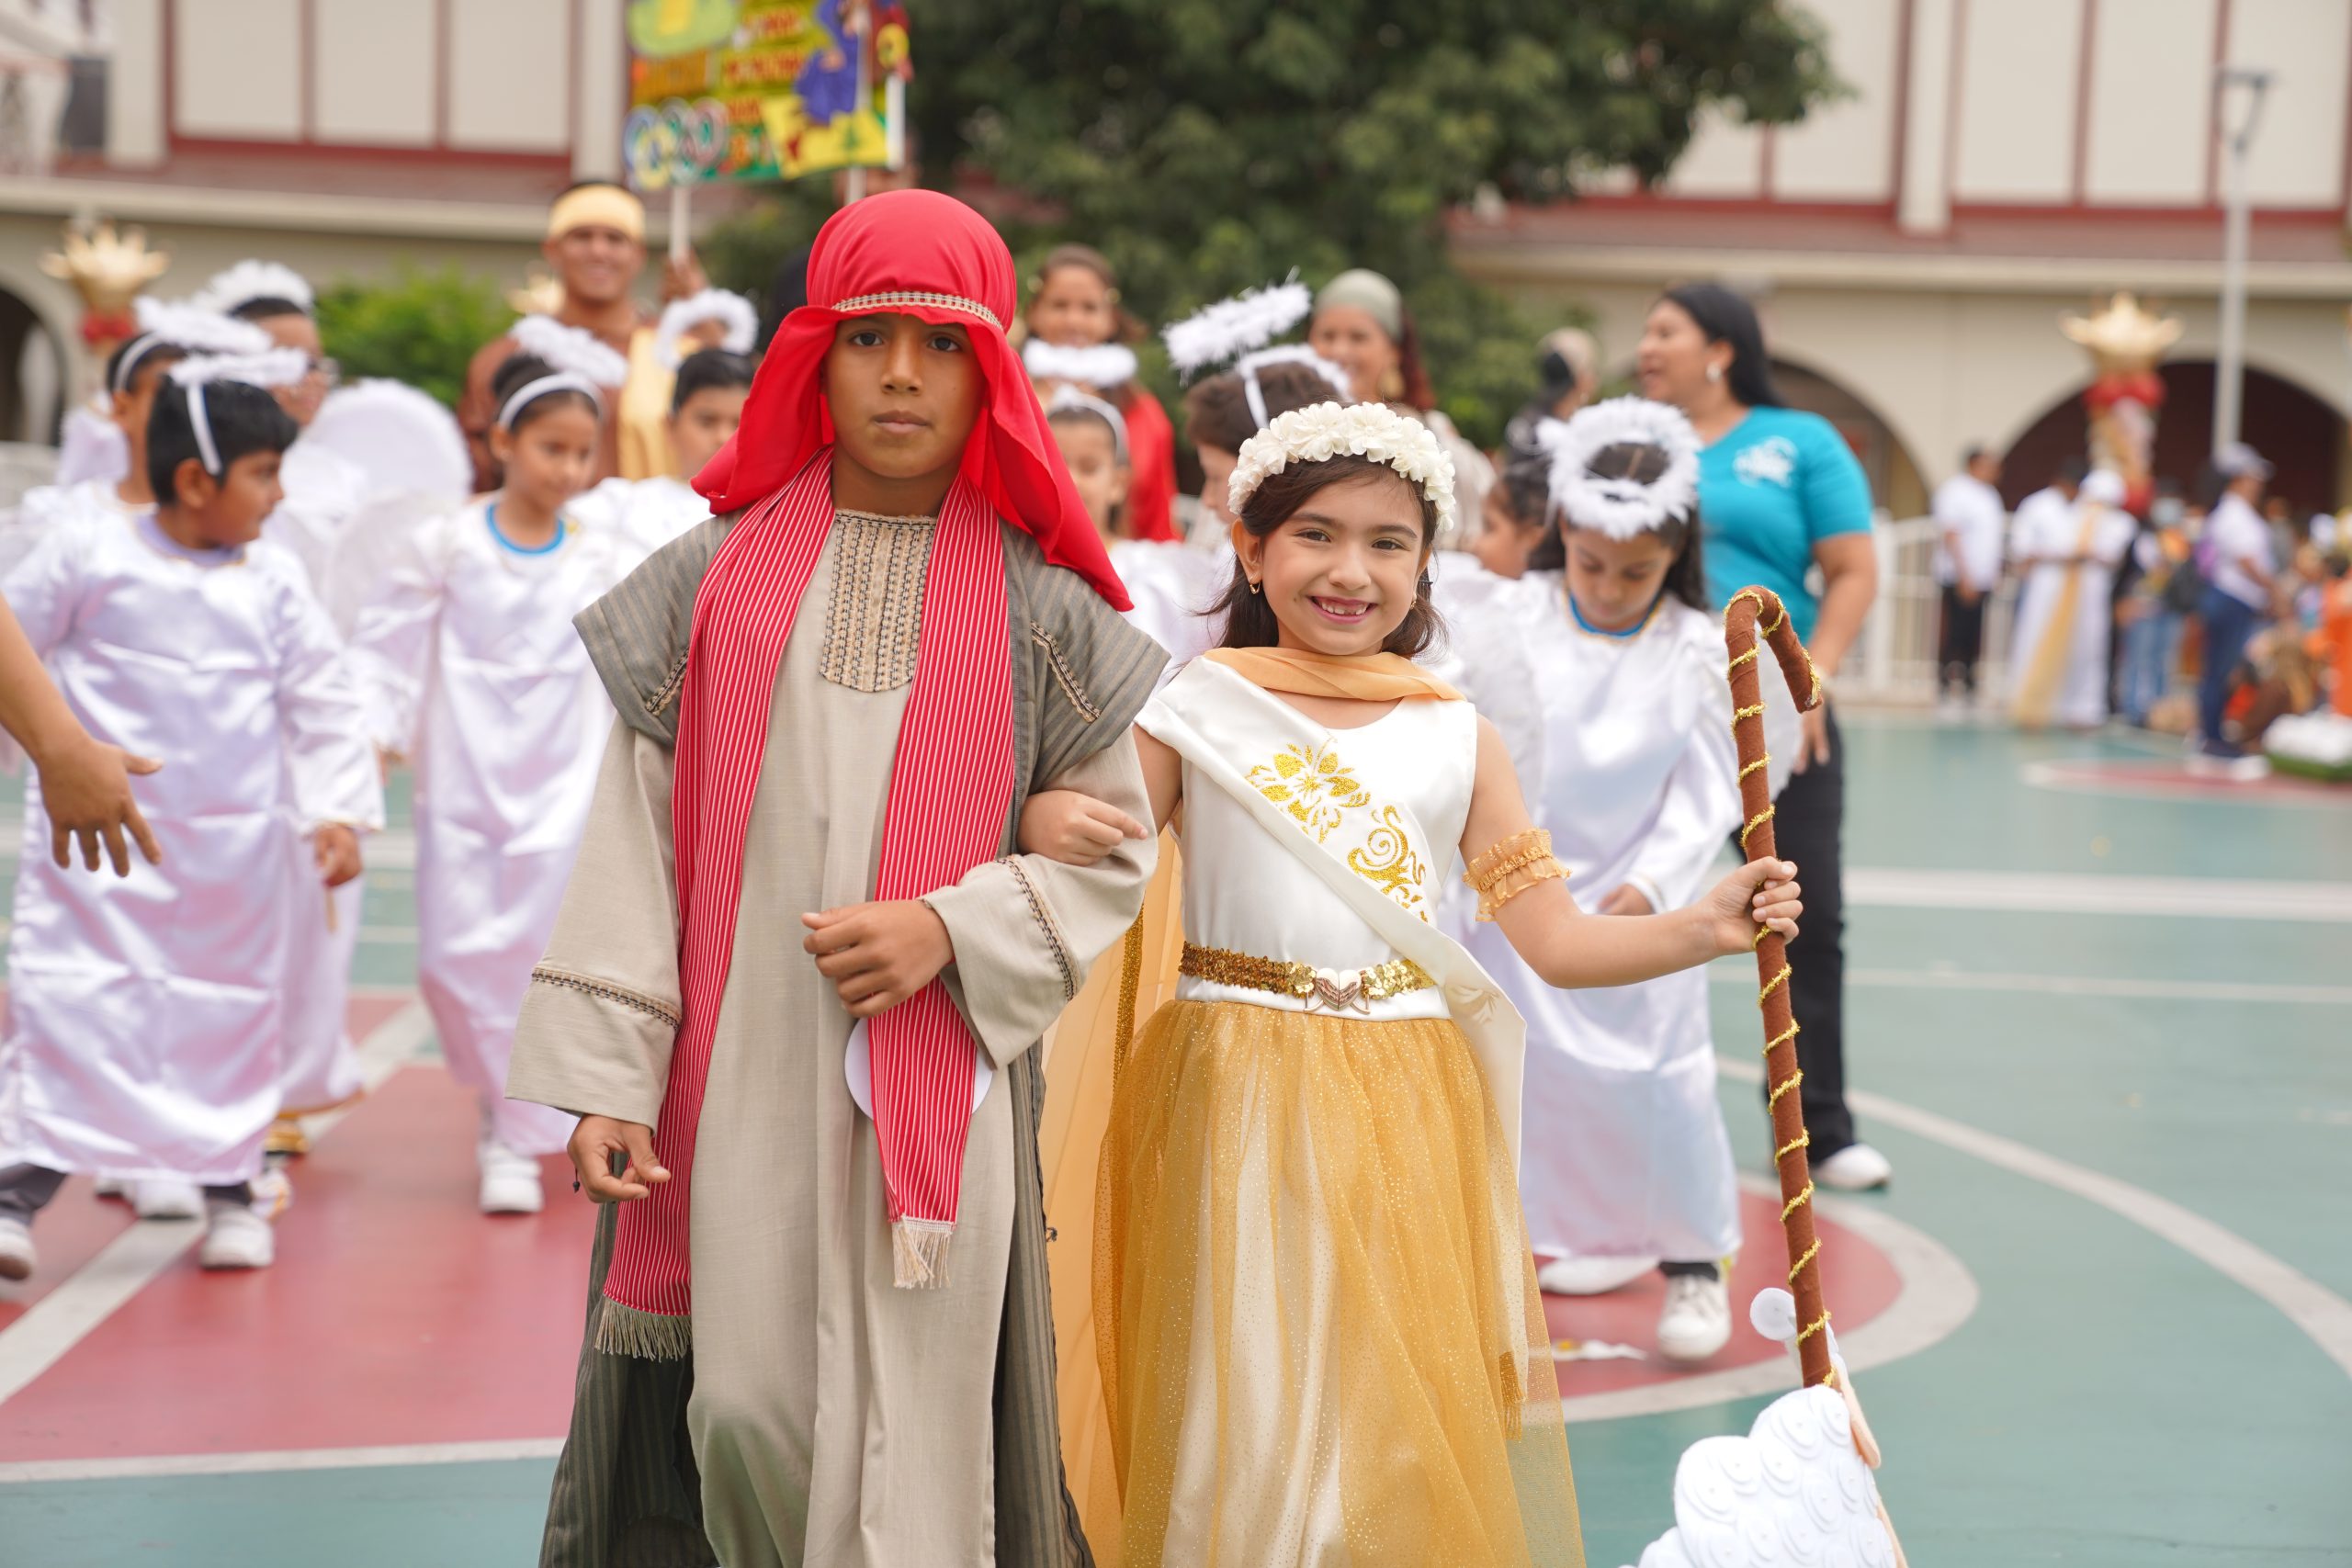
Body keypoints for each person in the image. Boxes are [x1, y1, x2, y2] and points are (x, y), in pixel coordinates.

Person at [1017, 400, 1803, 1562]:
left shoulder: (1459, 737)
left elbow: (1556, 943)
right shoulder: (1193, 712)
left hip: (1407, 1109)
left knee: (1380, 1426)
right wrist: (1044, 815)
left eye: (1388, 543)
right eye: (1316, 535)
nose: (1351, 571)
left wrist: (1702, 926)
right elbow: (1097, 857)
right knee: (1241, 1407)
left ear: (1425, 563)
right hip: (1230, 1095)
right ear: (1251, 550)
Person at [503, 189, 1164, 1568]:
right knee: (744, 1412)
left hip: (942, 1076)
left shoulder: (1043, 599)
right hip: (733, 1064)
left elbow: (1117, 850)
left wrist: (952, 924)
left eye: (942, 343)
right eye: (870, 339)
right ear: (815, 357)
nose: (903, 375)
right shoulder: (710, 575)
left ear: (992, 372)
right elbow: (635, 831)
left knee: (918, 1428)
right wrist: (613, 1076)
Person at [0, 368, 379, 1280]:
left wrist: (335, 807)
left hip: (231, 866)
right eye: (264, 473)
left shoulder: (275, 581)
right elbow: (18, 651)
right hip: (98, 858)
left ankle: (232, 1188)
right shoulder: (88, 551)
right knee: (75, 1005)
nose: (279, 495)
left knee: (226, 1018)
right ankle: (17, 1192)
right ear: (196, 479)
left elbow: (325, 702)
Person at [1451, 399, 1752, 1362]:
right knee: (1517, 1079)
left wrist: (1658, 886)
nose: (1611, 588)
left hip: (1636, 897)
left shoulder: (1698, 651)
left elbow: (1708, 786)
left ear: (1676, 556)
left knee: (1661, 1081)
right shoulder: (1506, 619)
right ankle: (1550, 1237)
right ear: (1561, 537)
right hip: (1513, 887)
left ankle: (1692, 1260)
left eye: (1637, 572)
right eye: (1590, 565)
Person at [346, 342, 640, 1217]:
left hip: (564, 790)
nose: (567, 469)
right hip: (463, 788)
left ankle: (516, 1131)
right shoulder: (447, 542)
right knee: (453, 960)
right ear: (504, 442)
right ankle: (498, 1100)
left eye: (582, 452)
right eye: (551, 447)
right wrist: (373, 737)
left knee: (547, 958)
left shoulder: (603, 552)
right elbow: (387, 650)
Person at [1636, 281, 1888, 1191]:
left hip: (1776, 706)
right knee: (1634, 901)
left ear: (1721, 349)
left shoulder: (1801, 442)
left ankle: (1823, 1128)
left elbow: (1852, 568)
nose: (1645, 347)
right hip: (1650, 707)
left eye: (1665, 331)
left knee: (1802, 910)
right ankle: (1619, 1124)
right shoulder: (1634, 444)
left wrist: (1811, 680)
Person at [458, 182, 701, 490]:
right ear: (552, 250)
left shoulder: (679, 351)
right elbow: (476, 476)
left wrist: (706, 322)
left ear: (638, 255)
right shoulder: (508, 356)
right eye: (582, 236)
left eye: (615, 239)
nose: (598, 251)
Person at [1046, 383, 1221, 668]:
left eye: (1089, 468)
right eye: (1056, 464)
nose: (1071, 481)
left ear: (1118, 483)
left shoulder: (1150, 572)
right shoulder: (1011, 563)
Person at [1309, 267, 1492, 538]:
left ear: (1394, 351)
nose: (1339, 351)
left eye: (1358, 337)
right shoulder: (1286, 426)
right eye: (1327, 336)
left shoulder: (1430, 432)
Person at [1026, 243, 1181, 541]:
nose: (1073, 321)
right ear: (1034, 312)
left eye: (1089, 308)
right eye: (1059, 305)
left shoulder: (1142, 413)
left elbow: (1157, 519)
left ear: (1111, 318)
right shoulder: (1005, 397)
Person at [567, 346, 751, 559]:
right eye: (707, 421)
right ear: (670, 427)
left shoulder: (767, 518)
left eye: (739, 424)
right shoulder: (621, 506)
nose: (723, 437)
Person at [2008, 468, 2134, 730]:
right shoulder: (2052, 510)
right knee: (2036, 641)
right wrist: (2064, 555)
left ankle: (2082, 710)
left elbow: (2111, 555)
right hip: (2050, 589)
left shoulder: (2118, 523)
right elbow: (2028, 550)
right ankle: (2033, 706)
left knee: (2088, 650)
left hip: (2089, 594)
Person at [2196, 443, 2281, 770]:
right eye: (2253, 478)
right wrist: (2274, 590)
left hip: (2237, 600)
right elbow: (2247, 561)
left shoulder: (2237, 512)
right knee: (2220, 669)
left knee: (2224, 668)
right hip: (2230, 598)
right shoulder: (2233, 513)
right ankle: (2211, 737)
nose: (2258, 485)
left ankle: (2215, 733)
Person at [1931, 445, 2006, 706]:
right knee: (1955, 630)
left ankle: (1970, 682)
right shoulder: (1955, 491)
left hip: (1983, 576)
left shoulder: (1990, 495)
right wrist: (1964, 575)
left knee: (1975, 631)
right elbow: (1951, 533)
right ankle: (1946, 680)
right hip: (1959, 575)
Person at [2116, 478, 2192, 728]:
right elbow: (2148, 569)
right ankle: (2134, 709)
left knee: (2164, 661)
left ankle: (2160, 713)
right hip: (2145, 607)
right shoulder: (2144, 535)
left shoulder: (2180, 538)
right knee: (2139, 659)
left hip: (2172, 608)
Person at [1502, 327, 1600, 465]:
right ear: (1581, 378)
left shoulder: (1527, 420)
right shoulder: (1536, 427)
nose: (1595, 380)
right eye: (1592, 370)